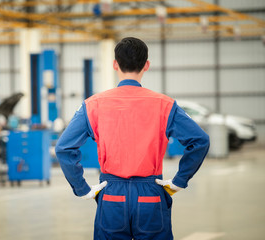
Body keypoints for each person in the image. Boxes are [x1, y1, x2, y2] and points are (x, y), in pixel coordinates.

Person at [55, 37, 210, 240]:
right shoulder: (165, 104)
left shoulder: (93, 105)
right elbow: (200, 141)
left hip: (111, 195)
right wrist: (179, 181)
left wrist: (82, 188)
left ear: (114, 64)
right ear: (147, 65)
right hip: (151, 195)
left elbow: (64, 148)